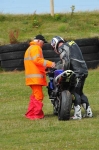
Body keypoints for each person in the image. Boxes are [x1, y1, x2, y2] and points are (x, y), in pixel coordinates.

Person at [50, 36, 93, 120]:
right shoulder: (72, 43)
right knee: (80, 92)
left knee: (74, 92)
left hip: (77, 72)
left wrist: (64, 71)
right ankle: (89, 113)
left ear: (55, 44)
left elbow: (66, 61)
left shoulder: (62, 47)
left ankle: (77, 115)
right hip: (84, 70)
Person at [24, 34, 55, 120]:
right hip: (35, 78)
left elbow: (34, 63)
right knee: (39, 96)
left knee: (34, 96)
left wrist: (45, 70)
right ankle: (35, 115)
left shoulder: (29, 49)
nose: (43, 44)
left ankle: (31, 113)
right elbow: (37, 60)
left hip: (31, 77)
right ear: (38, 41)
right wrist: (50, 64)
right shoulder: (36, 48)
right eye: (43, 42)